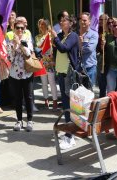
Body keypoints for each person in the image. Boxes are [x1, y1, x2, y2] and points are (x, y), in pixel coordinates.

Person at [51, 15, 80, 150]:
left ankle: (70, 135)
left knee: (69, 104)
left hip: (69, 73)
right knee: (65, 103)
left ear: (70, 23)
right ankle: (70, 131)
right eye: (60, 20)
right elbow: (57, 51)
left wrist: (55, 38)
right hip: (61, 72)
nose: (61, 22)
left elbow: (64, 48)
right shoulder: (61, 35)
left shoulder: (73, 36)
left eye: (64, 20)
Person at [8, 18, 35, 132]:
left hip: (27, 73)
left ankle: (29, 120)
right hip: (15, 73)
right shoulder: (10, 42)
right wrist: (14, 47)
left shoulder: (27, 40)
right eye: (17, 28)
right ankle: (19, 120)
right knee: (18, 98)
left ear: (24, 29)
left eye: (22, 28)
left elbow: (28, 54)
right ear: (14, 29)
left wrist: (20, 44)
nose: (19, 30)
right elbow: (10, 58)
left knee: (28, 97)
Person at [35, 19, 58, 110]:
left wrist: (51, 36)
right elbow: (38, 46)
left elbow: (55, 46)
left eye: (44, 24)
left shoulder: (51, 35)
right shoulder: (38, 37)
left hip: (50, 61)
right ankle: (46, 99)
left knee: (52, 82)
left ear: (47, 25)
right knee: (44, 83)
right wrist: (45, 38)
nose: (42, 26)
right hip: (42, 62)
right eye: (40, 25)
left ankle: (55, 100)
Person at [78, 12, 98, 87]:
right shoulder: (76, 33)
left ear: (89, 22)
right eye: (81, 20)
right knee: (80, 91)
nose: (82, 22)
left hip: (90, 66)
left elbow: (89, 49)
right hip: (78, 67)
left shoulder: (94, 34)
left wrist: (80, 44)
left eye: (85, 20)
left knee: (89, 90)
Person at [96, 14, 110, 98]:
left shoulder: (110, 31)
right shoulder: (97, 31)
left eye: (103, 20)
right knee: (101, 79)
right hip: (100, 57)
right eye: (100, 19)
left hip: (109, 57)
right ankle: (102, 97)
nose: (100, 21)